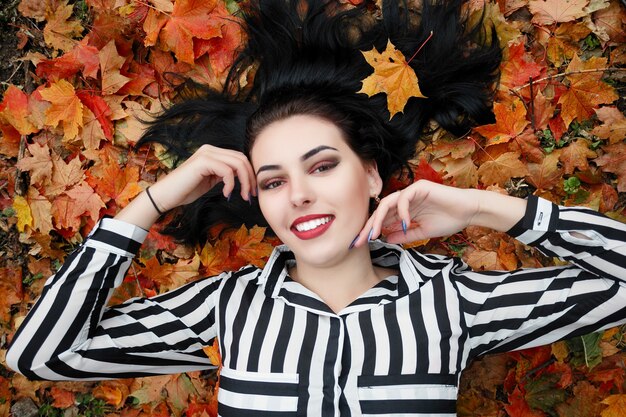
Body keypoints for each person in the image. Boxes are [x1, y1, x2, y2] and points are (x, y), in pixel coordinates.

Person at [6, 0, 626, 416]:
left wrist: (481, 207)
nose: (298, 192)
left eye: (323, 166)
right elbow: (40, 355)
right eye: (273, 181)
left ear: (372, 174)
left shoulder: (452, 303)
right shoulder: (228, 306)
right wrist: (154, 201)